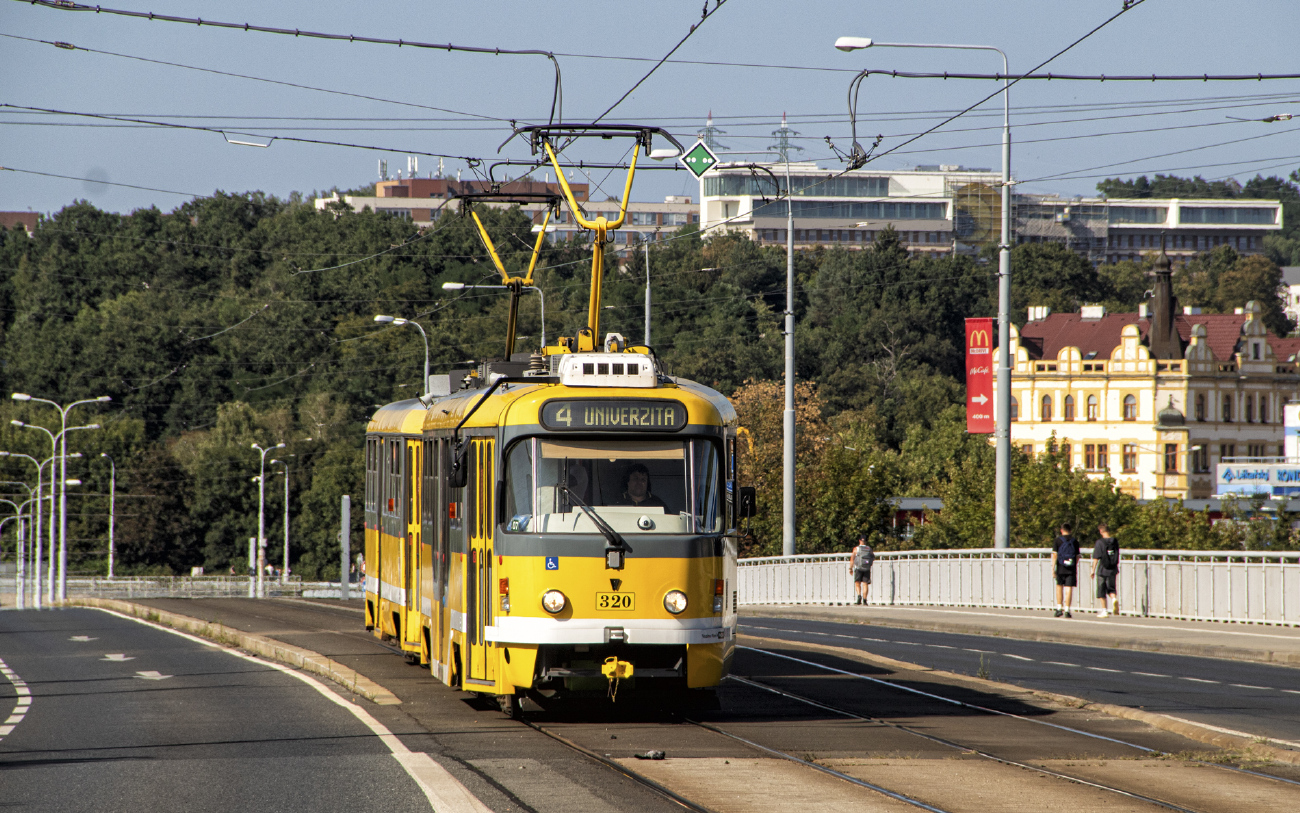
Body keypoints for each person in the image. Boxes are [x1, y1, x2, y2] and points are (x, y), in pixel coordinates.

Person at [1091, 523, 1120, 617]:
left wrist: (1092, 570)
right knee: (1111, 588)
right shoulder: (1115, 541)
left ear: (1101, 531)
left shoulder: (1100, 542)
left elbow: (1096, 557)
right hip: (1113, 569)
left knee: (1101, 589)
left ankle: (1104, 611)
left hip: (1103, 569)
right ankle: (1114, 599)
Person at [1051, 522, 1078, 618]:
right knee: (1069, 588)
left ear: (1061, 530)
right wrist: (1074, 564)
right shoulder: (1074, 541)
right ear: (1070, 531)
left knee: (1059, 586)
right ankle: (1067, 609)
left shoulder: (1058, 541)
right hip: (1071, 568)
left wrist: (1053, 568)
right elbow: (1077, 556)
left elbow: (1055, 555)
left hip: (1061, 567)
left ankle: (1059, 608)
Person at [850, 535, 875, 605]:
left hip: (858, 568)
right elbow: (872, 557)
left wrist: (850, 568)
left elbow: (852, 559)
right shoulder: (869, 549)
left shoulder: (856, 549)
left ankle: (859, 596)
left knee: (857, 583)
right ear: (866, 541)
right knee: (865, 584)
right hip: (866, 568)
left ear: (859, 540)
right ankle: (865, 599)